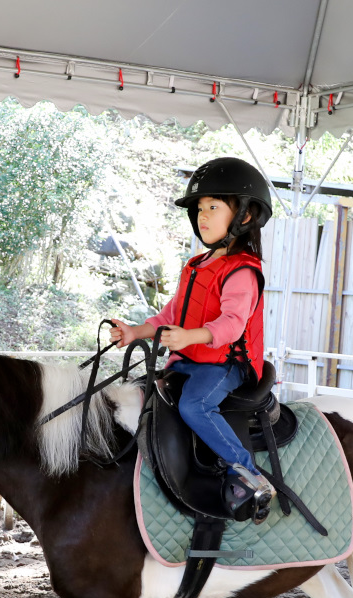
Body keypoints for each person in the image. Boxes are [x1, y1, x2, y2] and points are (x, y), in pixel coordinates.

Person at [110, 157, 277, 522]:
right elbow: (172, 315)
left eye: (213, 207)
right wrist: (135, 332)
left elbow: (232, 325)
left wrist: (189, 337)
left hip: (222, 365)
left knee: (193, 407)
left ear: (244, 216)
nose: (202, 216)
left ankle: (249, 473)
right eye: (200, 208)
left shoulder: (243, 271)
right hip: (188, 359)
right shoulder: (197, 264)